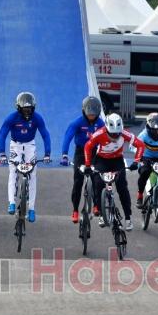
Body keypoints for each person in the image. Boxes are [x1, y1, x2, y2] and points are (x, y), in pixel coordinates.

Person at [82, 113, 144, 231]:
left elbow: (140, 145)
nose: (115, 136)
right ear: (106, 129)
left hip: (117, 161)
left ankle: (128, 218)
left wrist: (136, 161)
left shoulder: (125, 134)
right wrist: (88, 165)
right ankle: (100, 213)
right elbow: (87, 147)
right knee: (98, 184)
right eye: (112, 134)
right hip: (101, 160)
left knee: (122, 188)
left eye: (117, 134)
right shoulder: (99, 134)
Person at [0, 91, 52, 223]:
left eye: (30, 109)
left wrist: (47, 154)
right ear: (18, 108)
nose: (27, 112)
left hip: (30, 146)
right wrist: (2, 153)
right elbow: (2, 134)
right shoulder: (11, 118)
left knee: (32, 175)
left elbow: (45, 135)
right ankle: (11, 202)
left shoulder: (37, 118)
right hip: (15, 146)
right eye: (24, 110)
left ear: (34, 108)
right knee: (13, 172)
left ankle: (32, 208)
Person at [60, 96, 105, 224]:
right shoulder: (77, 123)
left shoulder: (101, 124)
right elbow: (67, 137)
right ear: (83, 111)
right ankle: (75, 210)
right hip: (80, 153)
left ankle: (97, 205)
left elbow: (107, 139)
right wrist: (64, 155)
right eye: (89, 113)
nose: (91, 116)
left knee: (98, 178)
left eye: (94, 114)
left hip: (95, 153)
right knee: (78, 181)